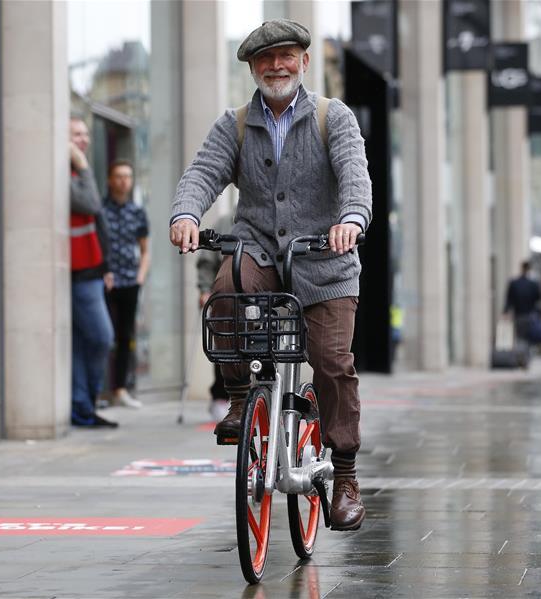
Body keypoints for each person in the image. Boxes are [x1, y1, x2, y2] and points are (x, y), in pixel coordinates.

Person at [168, 19, 372, 531]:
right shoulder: (233, 124)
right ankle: (240, 401)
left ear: (303, 62)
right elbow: (202, 174)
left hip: (325, 262)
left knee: (330, 362)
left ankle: (344, 474)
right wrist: (185, 215)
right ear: (253, 68)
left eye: (286, 56)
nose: (275, 66)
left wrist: (350, 221)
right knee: (228, 291)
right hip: (257, 249)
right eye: (265, 60)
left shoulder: (333, 118)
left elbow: (355, 177)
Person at [69, 116, 117, 428]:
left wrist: (107, 266)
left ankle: (83, 407)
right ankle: (82, 405)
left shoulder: (75, 171)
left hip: (90, 270)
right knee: (102, 337)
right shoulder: (72, 171)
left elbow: (96, 224)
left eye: (86, 134)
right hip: (78, 273)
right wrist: (82, 164)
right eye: (76, 135)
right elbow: (90, 204)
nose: (83, 140)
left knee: (83, 342)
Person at [101, 160, 149, 409]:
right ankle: (100, 391)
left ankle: (120, 389)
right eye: (118, 176)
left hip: (130, 281)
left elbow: (145, 249)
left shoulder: (137, 212)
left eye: (127, 176)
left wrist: (140, 275)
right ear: (110, 180)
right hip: (106, 281)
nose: (123, 181)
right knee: (103, 334)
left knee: (124, 337)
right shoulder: (100, 209)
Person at [196, 212, 234, 422]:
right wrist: (204, 289)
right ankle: (221, 396)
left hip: (260, 297)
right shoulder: (224, 222)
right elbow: (207, 261)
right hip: (226, 295)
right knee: (224, 346)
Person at [503, 261, 541, 347]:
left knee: (520, 337)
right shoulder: (533, 284)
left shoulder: (514, 283)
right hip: (530, 315)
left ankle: (521, 355)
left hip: (519, 315)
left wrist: (505, 312)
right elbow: (539, 300)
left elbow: (509, 300)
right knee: (529, 337)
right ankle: (525, 354)